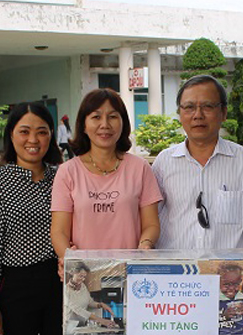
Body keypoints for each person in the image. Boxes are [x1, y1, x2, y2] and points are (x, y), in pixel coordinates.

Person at [0, 102, 63, 335]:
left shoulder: (63, 177)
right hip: (16, 285)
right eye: (24, 131)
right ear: (11, 135)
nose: (33, 140)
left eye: (42, 132)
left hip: (60, 284)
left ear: (51, 136)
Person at [153, 75, 243, 265]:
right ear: (180, 113)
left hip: (229, 275)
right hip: (175, 274)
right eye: (189, 107)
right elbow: (150, 222)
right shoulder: (163, 163)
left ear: (223, 112)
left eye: (207, 106)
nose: (198, 115)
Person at [50, 88, 162, 264]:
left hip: (130, 270)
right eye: (96, 117)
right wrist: (68, 259)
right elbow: (59, 232)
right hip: (84, 272)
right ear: (83, 125)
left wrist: (145, 245)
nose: (105, 124)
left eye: (113, 116)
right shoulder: (68, 171)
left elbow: (151, 224)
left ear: (123, 123)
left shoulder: (140, 168)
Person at [64, 260, 119, 330]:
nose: (83, 279)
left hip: (81, 326)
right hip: (69, 327)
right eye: (80, 276)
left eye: (84, 277)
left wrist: (101, 305)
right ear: (73, 273)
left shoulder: (83, 286)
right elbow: (78, 310)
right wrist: (101, 320)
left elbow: (89, 302)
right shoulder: (66, 290)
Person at [218, 262, 243, 335]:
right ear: (218, 282)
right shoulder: (214, 301)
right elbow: (207, 321)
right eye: (226, 285)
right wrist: (224, 316)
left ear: (240, 282)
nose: (231, 288)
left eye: (236, 284)